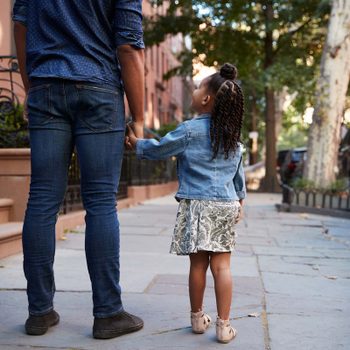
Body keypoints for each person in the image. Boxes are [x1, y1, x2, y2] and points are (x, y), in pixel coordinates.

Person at [12, 0, 145, 339]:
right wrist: (140, 117)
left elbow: (21, 27)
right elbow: (128, 47)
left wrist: (32, 90)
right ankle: (108, 313)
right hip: (99, 89)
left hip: (46, 88)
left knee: (42, 200)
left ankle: (39, 313)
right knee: (100, 201)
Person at [126, 63, 246, 344]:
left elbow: (161, 148)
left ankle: (197, 319)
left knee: (197, 266)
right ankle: (224, 326)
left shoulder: (190, 131)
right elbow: (237, 175)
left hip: (197, 205)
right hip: (226, 204)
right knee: (223, 267)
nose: (194, 90)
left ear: (206, 98)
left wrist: (137, 144)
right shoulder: (233, 138)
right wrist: (240, 201)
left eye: (198, 87)